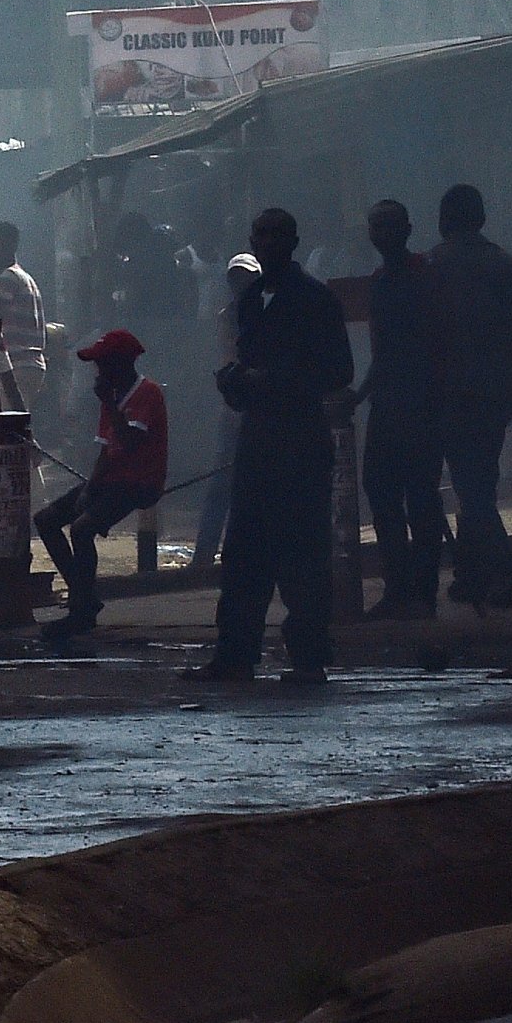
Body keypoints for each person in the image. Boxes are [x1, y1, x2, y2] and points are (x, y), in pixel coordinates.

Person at [187, 208, 352, 684]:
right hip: (259, 439)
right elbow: (247, 366)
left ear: (293, 242)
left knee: (302, 553)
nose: (267, 243)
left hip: (300, 440)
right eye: (260, 235)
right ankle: (236, 652)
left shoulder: (315, 300)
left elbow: (339, 371)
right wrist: (236, 384)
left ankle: (308, 656)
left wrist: (273, 380)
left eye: (275, 235)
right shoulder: (253, 301)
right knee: (244, 553)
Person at [424, 183, 512, 612]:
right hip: (498, 392)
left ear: (444, 221)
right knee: (478, 478)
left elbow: (417, 340)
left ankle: (501, 572)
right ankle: (471, 572)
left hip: (450, 392)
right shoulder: (508, 267)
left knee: (472, 484)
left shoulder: (432, 266)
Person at [36, 329, 168, 639]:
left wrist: (108, 404)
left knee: (82, 530)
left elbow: (131, 442)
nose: (99, 371)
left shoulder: (145, 393)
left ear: (121, 363)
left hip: (139, 482)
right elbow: (106, 450)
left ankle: (80, 611)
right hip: (112, 480)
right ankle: (84, 596)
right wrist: (90, 488)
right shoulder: (114, 396)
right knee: (46, 520)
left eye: (103, 364)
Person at [355, 200, 441, 619]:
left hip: (415, 403)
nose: (380, 235)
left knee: (414, 498)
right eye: (376, 227)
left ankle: (416, 590)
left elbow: (408, 348)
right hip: (393, 403)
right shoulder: (384, 279)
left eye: (384, 227)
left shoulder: (421, 277)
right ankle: (406, 588)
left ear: (405, 230)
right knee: (392, 495)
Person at [190, 252, 262, 571]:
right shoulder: (227, 315)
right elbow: (228, 359)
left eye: (246, 276)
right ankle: (205, 552)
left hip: (263, 410)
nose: (240, 283)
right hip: (235, 408)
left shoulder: (268, 313)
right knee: (222, 482)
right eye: (236, 277)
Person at [0, 221, 47, 416]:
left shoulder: (10, 277)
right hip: (29, 363)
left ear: (10, 246)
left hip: (19, 363)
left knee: (5, 424)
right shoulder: (22, 276)